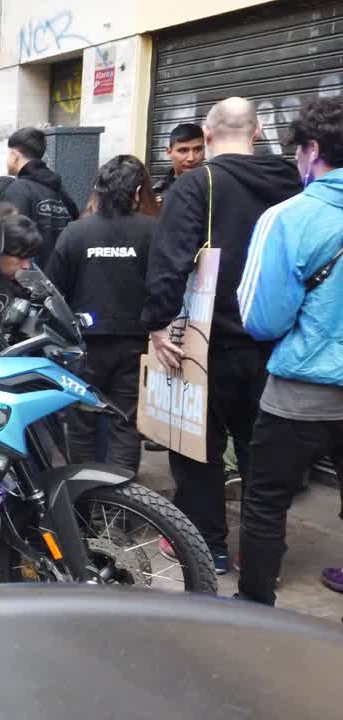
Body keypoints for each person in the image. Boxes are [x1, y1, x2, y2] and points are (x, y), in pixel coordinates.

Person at [142, 97, 301, 573]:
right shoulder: (292, 183)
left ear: (207, 138)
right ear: (255, 135)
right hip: (276, 344)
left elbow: (170, 260)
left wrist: (156, 324)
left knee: (197, 449)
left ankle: (207, 545)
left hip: (208, 342)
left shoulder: (197, 184)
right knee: (261, 452)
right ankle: (261, 550)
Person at [235, 96, 343, 606]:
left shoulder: (288, 218)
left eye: (298, 153)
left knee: (266, 502)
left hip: (301, 394)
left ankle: (256, 609)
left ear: (313, 149)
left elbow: (261, 319)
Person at [47, 155, 160, 472]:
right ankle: (121, 506)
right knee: (125, 423)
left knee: (81, 421)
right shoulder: (152, 231)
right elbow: (163, 285)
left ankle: (85, 503)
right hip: (134, 343)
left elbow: (54, 290)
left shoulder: (75, 233)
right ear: (137, 192)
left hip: (84, 345)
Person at [1, 127, 81, 267]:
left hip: (29, 282)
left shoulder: (18, 190)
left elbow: (11, 242)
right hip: (60, 282)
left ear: (14, 155)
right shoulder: (63, 194)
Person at [153, 123, 205, 202]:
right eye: (183, 150)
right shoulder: (155, 192)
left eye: (197, 150)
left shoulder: (217, 188)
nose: (191, 158)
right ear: (169, 152)